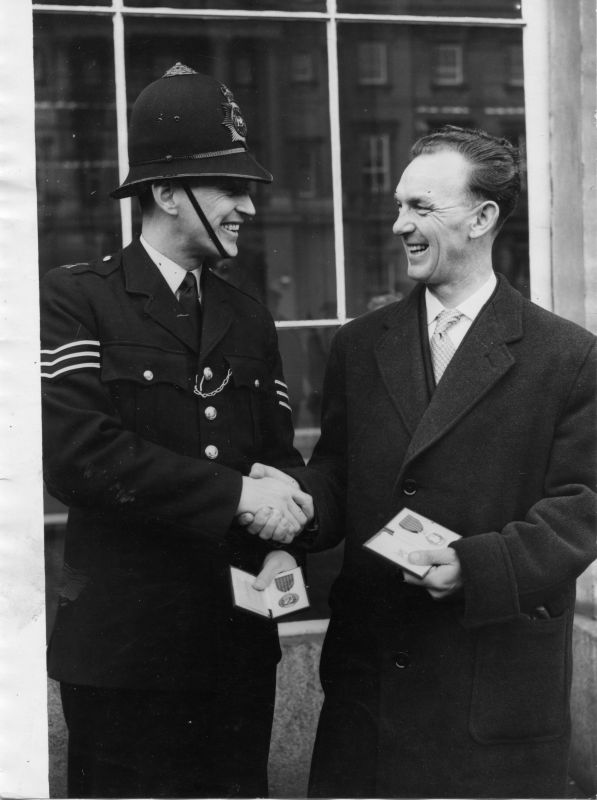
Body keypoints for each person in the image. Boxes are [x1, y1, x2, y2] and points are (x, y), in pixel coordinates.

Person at [245, 126, 597, 798]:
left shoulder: (566, 356)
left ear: (483, 217)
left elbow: (582, 506)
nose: (401, 225)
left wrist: (480, 564)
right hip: (370, 688)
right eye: (399, 207)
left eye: (422, 208)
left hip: (487, 692)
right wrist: (294, 499)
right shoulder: (359, 345)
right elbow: (342, 471)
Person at [40, 63, 313, 799]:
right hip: (123, 659)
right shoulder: (75, 301)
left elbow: (277, 457)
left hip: (233, 651)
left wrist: (292, 500)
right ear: (165, 193)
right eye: (228, 190)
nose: (245, 211)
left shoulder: (247, 315)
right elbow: (76, 456)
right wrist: (236, 495)